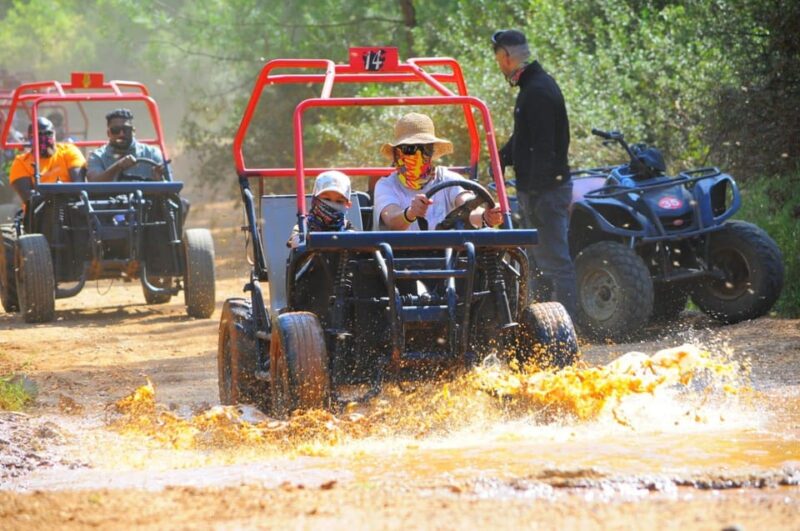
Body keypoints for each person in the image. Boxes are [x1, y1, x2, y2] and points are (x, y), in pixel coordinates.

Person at [491, 29, 577, 317]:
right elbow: (525, 138)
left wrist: (537, 193)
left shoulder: (537, 91)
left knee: (556, 263)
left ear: (506, 56)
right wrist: (501, 157)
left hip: (546, 192)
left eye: (499, 61)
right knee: (537, 265)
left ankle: (570, 328)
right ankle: (539, 326)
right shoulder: (533, 88)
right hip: (541, 190)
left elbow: (544, 147)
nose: (500, 67)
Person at [374, 112, 502, 231]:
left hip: (446, 247)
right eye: (409, 149)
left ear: (432, 152)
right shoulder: (386, 185)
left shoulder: (448, 179)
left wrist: (486, 216)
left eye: (426, 149)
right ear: (397, 153)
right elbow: (391, 220)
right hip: (399, 248)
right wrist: (411, 213)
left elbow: (467, 206)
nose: (418, 156)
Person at [8, 116, 86, 202]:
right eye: (39, 135)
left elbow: (79, 186)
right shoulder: (21, 162)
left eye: (48, 133)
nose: (44, 139)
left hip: (71, 205)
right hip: (40, 208)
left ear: (54, 134)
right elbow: (29, 198)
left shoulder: (69, 151)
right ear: (30, 138)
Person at [86, 108, 164, 182]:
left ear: (133, 131)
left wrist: (160, 180)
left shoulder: (152, 154)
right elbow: (93, 184)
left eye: (126, 130)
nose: (121, 134)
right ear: (108, 133)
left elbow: (168, 187)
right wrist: (118, 166)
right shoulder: (97, 156)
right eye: (115, 130)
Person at [288, 170, 353, 248]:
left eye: (339, 201)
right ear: (315, 200)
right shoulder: (305, 224)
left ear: (348, 205)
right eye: (327, 199)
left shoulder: (346, 225)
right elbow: (294, 241)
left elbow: (356, 240)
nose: (332, 205)